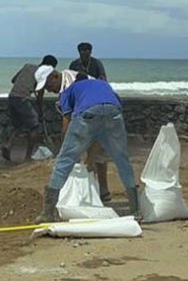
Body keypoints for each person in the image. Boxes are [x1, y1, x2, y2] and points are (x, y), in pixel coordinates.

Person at [36, 77, 140, 222]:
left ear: (56, 77)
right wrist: (90, 157)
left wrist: (68, 149)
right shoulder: (103, 84)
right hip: (113, 112)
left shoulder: (68, 91)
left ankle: (47, 213)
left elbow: (67, 124)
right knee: (122, 159)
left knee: (64, 161)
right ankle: (136, 210)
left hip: (87, 113)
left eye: (48, 86)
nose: (48, 90)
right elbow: (109, 114)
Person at [68, 43, 112, 198]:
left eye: (87, 51)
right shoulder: (74, 65)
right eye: (82, 51)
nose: (85, 53)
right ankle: (90, 190)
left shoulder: (96, 64)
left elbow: (104, 81)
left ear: (90, 52)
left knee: (98, 156)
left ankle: (103, 190)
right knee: (85, 156)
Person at [2, 55, 57, 161]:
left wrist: (29, 83)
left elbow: (13, 80)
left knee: (17, 126)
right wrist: (40, 112)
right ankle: (28, 157)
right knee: (35, 128)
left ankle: (8, 144)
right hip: (22, 99)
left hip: (12, 97)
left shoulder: (27, 66)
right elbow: (40, 97)